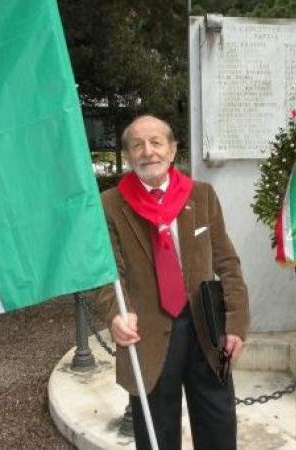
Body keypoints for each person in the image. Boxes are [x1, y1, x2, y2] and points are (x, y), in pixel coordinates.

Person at [99, 115, 250, 450]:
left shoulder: (202, 195)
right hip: (147, 336)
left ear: (172, 149)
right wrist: (115, 314)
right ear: (128, 155)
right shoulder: (110, 205)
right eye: (137, 145)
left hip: (206, 333)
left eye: (156, 142)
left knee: (218, 432)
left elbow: (227, 262)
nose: (147, 151)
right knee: (157, 439)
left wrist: (236, 323)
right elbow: (109, 274)